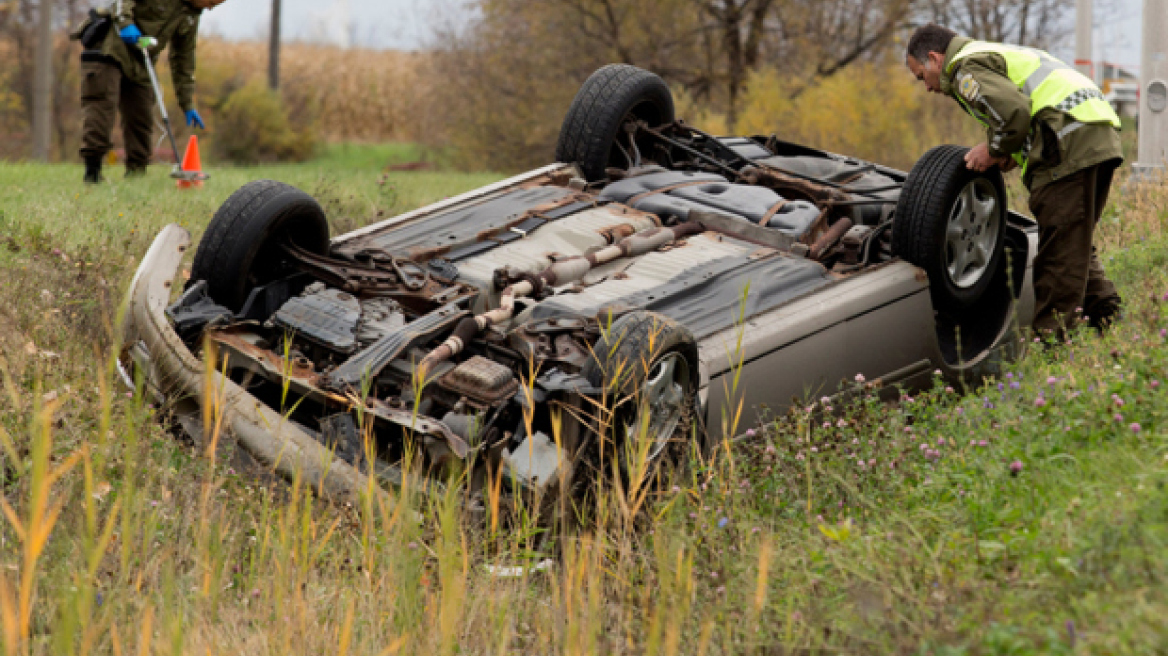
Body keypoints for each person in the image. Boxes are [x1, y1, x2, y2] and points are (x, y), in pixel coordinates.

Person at [905, 24, 1124, 337]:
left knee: (1057, 256)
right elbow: (1024, 107)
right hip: (1095, 130)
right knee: (1071, 241)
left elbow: (1014, 114)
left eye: (920, 76)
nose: (926, 87)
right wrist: (1013, 150)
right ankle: (1109, 320)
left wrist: (993, 150)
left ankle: (1054, 344)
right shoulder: (992, 52)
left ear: (934, 58)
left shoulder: (964, 68)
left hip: (1065, 139)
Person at [71, 0, 227, 183]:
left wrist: (188, 104)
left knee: (142, 113)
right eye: (211, 2)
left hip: (141, 60)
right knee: (101, 108)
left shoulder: (190, 15)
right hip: (109, 47)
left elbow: (183, 61)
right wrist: (126, 23)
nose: (210, 8)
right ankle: (93, 172)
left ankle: (136, 174)